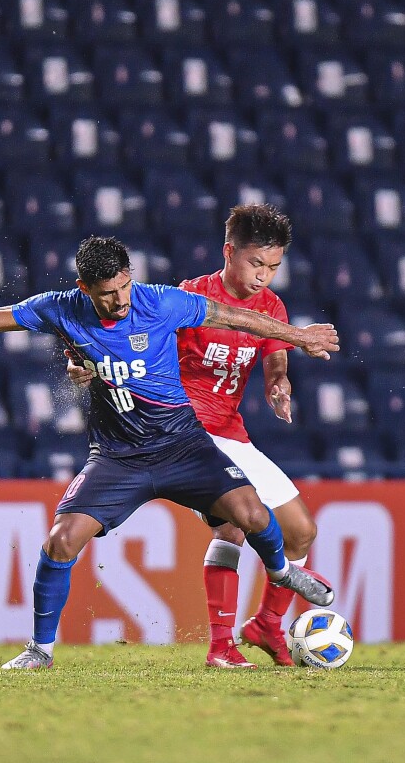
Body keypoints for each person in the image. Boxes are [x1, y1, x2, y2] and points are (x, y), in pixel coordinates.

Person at [0, 235, 339, 670]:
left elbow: (233, 316)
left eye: (125, 287)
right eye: (108, 292)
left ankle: (281, 572)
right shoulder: (58, 308)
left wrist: (302, 336)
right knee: (61, 540)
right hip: (117, 457)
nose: (120, 300)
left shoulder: (162, 302)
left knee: (252, 511)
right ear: (85, 287)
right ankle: (40, 649)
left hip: (183, 444)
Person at [65, 205, 316, 669]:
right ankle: (221, 645)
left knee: (301, 532)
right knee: (233, 524)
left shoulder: (271, 307)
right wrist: (87, 364)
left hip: (233, 431)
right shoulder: (189, 297)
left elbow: (275, 355)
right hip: (184, 428)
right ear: (229, 252)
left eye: (274, 267)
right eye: (256, 264)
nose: (264, 276)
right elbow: (130, 338)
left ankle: (265, 626)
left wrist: (279, 384)